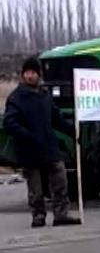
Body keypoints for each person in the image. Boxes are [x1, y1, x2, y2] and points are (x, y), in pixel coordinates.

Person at [3, 58, 81, 228]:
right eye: (27, 73)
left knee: (60, 181)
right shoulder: (16, 98)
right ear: (23, 75)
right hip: (29, 150)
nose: (30, 76)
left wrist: (73, 131)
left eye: (33, 73)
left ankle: (61, 214)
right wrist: (27, 136)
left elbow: (56, 119)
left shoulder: (45, 96)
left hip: (49, 147)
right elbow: (10, 123)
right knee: (36, 189)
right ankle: (38, 216)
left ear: (39, 75)